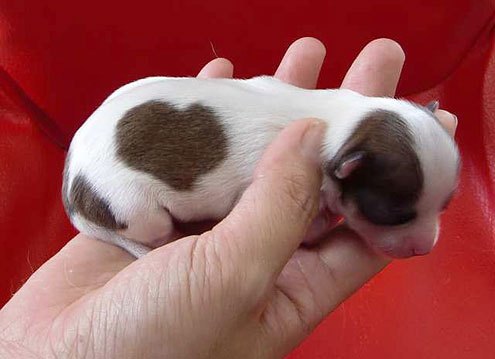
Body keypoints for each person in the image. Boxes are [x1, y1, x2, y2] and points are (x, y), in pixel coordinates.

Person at [0, 37, 457, 358]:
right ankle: (142, 232)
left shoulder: (314, 113)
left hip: (120, 124)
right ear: (346, 169)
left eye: (440, 206)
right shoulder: (283, 149)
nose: (427, 241)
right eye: (397, 215)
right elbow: (268, 209)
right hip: (107, 190)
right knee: (154, 225)